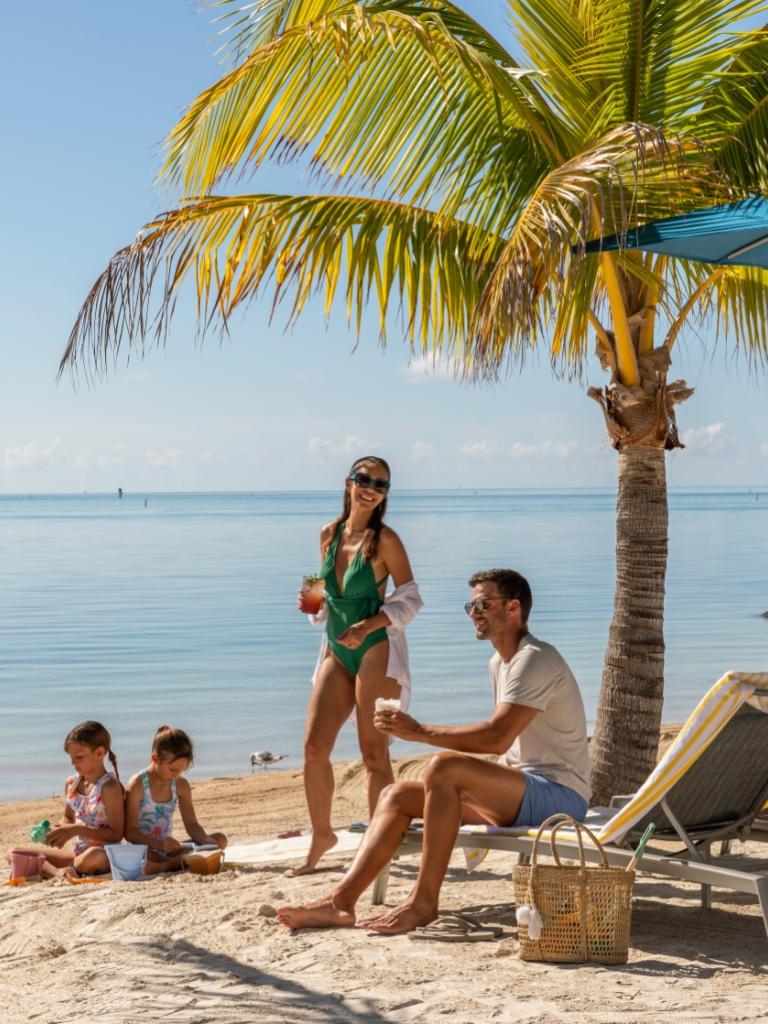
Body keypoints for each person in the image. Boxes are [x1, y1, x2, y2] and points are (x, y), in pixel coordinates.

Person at [277, 568, 591, 934]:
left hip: (560, 796)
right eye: (470, 606)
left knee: (443, 767)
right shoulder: (500, 662)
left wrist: (418, 731)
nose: (473, 612)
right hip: (522, 790)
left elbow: (496, 739)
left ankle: (422, 903)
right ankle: (340, 903)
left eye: (482, 604)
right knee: (395, 795)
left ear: (513, 608)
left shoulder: (534, 659)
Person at [294, 455, 423, 874]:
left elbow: (411, 597)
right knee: (314, 749)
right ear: (348, 482)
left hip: (374, 649)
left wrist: (370, 623)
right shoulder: (328, 534)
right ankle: (321, 836)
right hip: (335, 647)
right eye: (364, 479)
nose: (370, 488)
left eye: (381, 484)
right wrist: (310, 598)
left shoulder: (385, 540)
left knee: (373, 752)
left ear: (386, 494)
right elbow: (323, 591)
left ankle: (379, 840)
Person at [7, 721, 124, 878]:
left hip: (104, 855)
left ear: (99, 753)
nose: (73, 762)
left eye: (79, 757)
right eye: (71, 757)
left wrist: (73, 830)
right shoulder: (72, 784)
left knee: (94, 855)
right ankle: (57, 872)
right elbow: (68, 817)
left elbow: (116, 835)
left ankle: (43, 869)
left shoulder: (109, 787)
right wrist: (59, 830)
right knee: (13, 852)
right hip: (77, 855)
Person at [123, 726, 227, 874]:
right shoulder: (138, 784)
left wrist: (204, 839)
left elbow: (191, 824)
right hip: (144, 849)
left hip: (168, 849)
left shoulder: (180, 786)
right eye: (173, 770)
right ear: (155, 758)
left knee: (220, 839)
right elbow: (129, 832)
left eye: (181, 771)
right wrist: (158, 844)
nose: (176, 775)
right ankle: (174, 864)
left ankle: (166, 865)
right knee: (145, 857)